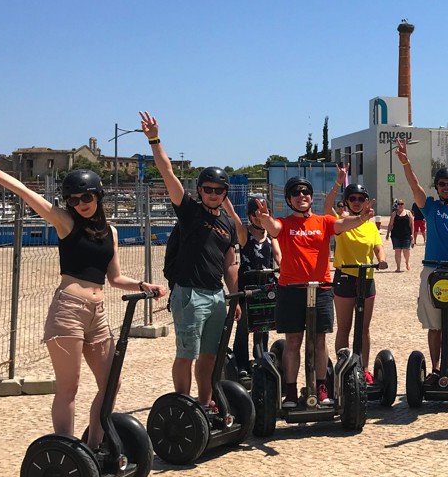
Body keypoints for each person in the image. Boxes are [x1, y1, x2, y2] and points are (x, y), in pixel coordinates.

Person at [0, 140, 166, 447]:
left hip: (98, 315)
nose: (81, 203)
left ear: (98, 196)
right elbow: (25, 193)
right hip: (68, 311)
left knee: (112, 383)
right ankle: (67, 450)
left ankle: (93, 448)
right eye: (74, 199)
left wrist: (143, 285)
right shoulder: (65, 223)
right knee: (69, 387)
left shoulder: (112, 232)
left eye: (87, 197)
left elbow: (115, 278)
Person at [140, 112, 245, 423]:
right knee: (186, 354)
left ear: (225, 193)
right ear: (199, 190)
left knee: (210, 356)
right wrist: (154, 139)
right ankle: (183, 408)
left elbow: (229, 263)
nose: (212, 194)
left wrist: (234, 297)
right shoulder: (189, 211)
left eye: (218, 190)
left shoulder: (226, 222)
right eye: (207, 189)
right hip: (189, 294)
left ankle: (205, 402)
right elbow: (168, 172)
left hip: (216, 296)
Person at [254, 171, 374, 407]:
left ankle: (321, 388)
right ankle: (290, 392)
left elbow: (343, 224)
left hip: (321, 289)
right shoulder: (285, 223)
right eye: (296, 193)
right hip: (291, 289)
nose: (302, 196)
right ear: (289, 199)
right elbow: (273, 228)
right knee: (293, 341)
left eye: (306, 192)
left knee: (320, 341)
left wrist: (361, 218)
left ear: (311, 197)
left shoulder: (323, 222)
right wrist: (265, 219)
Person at [397, 139, 448, 387]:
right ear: (437, 186)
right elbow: (415, 185)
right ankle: (435, 369)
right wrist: (406, 163)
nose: (445, 187)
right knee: (434, 324)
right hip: (432, 269)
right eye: (442, 184)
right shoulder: (430, 207)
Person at [333, 182, 388, 384]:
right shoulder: (341, 222)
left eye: (361, 199)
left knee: (364, 328)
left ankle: (364, 368)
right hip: (345, 277)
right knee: (344, 327)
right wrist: (338, 182)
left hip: (366, 278)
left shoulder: (371, 226)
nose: (357, 202)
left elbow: (378, 247)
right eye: (352, 198)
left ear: (366, 202)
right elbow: (327, 207)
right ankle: (343, 367)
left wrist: (381, 259)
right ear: (346, 201)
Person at [231, 196, 281, 377]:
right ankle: (241, 364)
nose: (259, 218)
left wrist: (285, 271)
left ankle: (261, 359)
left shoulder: (271, 235)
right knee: (244, 327)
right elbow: (234, 217)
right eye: (255, 214)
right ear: (249, 216)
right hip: (247, 287)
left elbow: (278, 256)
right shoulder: (245, 234)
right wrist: (226, 200)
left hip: (266, 287)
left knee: (264, 326)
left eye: (262, 214)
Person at [387, 199, 413, 272]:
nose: (400, 205)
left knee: (406, 250)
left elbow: (411, 224)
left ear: (404, 204)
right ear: (397, 205)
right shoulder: (394, 214)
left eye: (402, 204)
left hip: (406, 234)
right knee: (397, 251)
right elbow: (390, 224)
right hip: (396, 235)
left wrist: (412, 234)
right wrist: (388, 233)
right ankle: (398, 267)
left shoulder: (408, 213)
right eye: (399, 204)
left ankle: (407, 262)